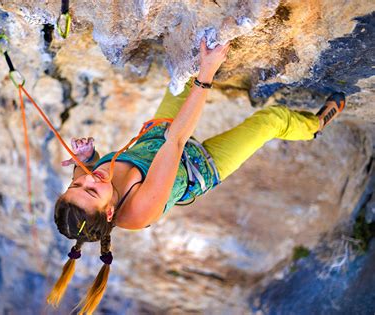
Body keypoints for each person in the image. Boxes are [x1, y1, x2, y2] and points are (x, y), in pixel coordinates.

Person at [46, 40, 346, 314]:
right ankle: (315, 125)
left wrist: (89, 157)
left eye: (76, 183)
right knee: (270, 121)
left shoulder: (87, 182)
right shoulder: (138, 211)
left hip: (156, 135)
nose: (87, 178)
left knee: (183, 71)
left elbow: (90, 176)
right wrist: (207, 72)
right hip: (199, 165)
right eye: (90, 189)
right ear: (110, 211)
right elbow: (176, 141)